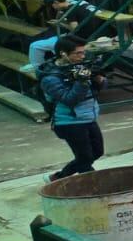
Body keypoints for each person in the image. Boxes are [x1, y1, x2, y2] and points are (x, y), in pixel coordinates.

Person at [40, 35, 106, 181]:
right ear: (63, 53)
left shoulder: (80, 66)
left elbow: (96, 89)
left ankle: (57, 178)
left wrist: (99, 79)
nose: (82, 56)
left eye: (84, 52)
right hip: (69, 121)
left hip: (89, 117)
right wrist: (81, 81)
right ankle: (94, 183)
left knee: (97, 152)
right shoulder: (50, 77)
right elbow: (70, 99)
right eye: (78, 53)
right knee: (85, 157)